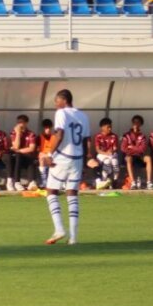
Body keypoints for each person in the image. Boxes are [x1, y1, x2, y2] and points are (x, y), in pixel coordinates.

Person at [45, 88, 88, 245]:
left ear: (64, 100)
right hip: (78, 158)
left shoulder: (61, 113)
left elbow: (60, 134)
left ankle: (59, 229)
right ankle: (73, 237)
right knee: (72, 195)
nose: (55, 104)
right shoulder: (83, 115)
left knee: (51, 191)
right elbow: (86, 141)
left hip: (63, 157)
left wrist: (49, 154)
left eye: (57, 101)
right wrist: (85, 161)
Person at [7, 114, 38, 191]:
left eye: (22, 122)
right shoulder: (13, 133)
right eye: (18, 122)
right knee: (17, 156)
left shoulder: (31, 134)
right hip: (16, 158)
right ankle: (17, 182)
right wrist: (18, 133)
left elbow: (31, 148)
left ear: (26, 123)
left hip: (27, 156)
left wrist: (19, 151)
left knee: (31, 159)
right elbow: (16, 146)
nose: (20, 124)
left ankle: (32, 182)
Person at [88, 118, 120, 190]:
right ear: (102, 127)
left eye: (110, 127)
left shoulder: (114, 136)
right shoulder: (98, 136)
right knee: (107, 162)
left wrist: (112, 151)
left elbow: (115, 148)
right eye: (108, 127)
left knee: (115, 161)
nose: (110, 129)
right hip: (102, 154)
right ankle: (104, 181)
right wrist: (106, 153)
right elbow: (98, 150)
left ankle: (115, 180)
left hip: (111, 154)